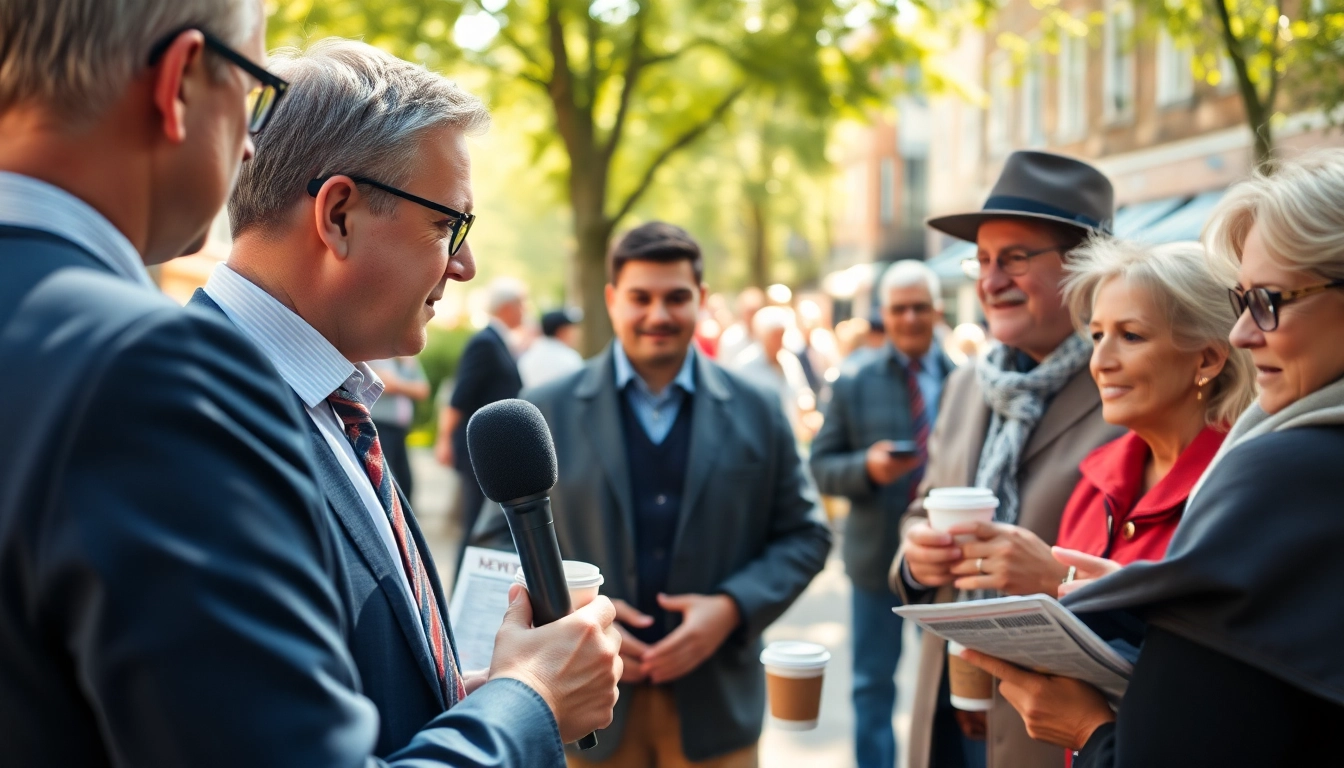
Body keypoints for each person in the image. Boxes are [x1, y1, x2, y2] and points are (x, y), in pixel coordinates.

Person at [0, 5, 619, 767]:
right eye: (447, 227)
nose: (465, 267)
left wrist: (464, 702)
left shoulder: (329, 399)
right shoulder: (165, 384)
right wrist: (530, 705)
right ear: (339, 215)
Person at [962, 150, 1344, 767]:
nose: (1248, 332)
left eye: (1270, 300)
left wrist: (1090, 732)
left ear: (1205, 359)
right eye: (1097, 335)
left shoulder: (1269, 472)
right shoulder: (1101, 472)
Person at [473, 221, 833, 767]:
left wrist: (731, 609)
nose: (658, 315)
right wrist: (574, 619)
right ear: (613, 300)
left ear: (702, 300)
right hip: (585, 717)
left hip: (718, 713)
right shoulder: (547, 407)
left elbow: (805, 534)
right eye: (641, 297)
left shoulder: (759, 408)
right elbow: (498, 540)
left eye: (676, 298)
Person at [888, 150, 1126, 768]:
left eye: (1015, 258)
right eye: (983, 260)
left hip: (1052, 728)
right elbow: (922, 508)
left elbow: (1158, 583)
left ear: (1083, 267)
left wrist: (1053, 577)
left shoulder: (1126, 390)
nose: (990, 281)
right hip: (951, 705)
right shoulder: (970, 383)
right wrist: (915, 553)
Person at [1035, 239, 1256, 600]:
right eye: (1097, 336)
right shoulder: (1095, 481)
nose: (1100, 361)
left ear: (1208, 359)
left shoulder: (1245, 487)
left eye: (1131, 336)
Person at [810, 259, 955, 768]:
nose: (910, 318)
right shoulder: (854, 381)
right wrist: (867, 470)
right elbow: (822, 468)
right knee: (872, 687)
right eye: (899, 309)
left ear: (938, 312)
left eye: (920, 308)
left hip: (948, 562)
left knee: (949, 690)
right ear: (884, 315)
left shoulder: (967, 381)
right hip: (876, 564)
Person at [435, 276, 526, 561]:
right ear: (507, 307)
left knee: (480, 522)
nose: (525, 311)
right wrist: (445, 440)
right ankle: (462, 593)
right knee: (475, 522)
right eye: (522, 304)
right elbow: (460, 396)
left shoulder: (498, 341)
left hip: (491, 448)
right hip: (478, 448)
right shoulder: (485, 342)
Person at [732, 305, 817, 434]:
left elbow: (802, 391)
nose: (779, 341)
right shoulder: (744, 366)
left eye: (781, 335)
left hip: (790, 434)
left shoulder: (789, 360)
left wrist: (806, 405)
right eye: (775, 336)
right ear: (762, 336)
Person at [370, 356, 430, 500]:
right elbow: (385, 384)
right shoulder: (374, 356)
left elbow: (423, 390)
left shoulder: (406, 359)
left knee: (405, 481)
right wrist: (407, 384)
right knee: (387, 480)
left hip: (400, 430)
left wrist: (396, 383)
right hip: (380, 426)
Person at [519, 308, 585, 388]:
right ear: (562, 331)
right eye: (571, 329)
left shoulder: (527, 357)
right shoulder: (569, 358)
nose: (576, 334)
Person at [715, 285, 765, 362]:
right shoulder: (730, 338)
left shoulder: (767, 337)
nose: (752, 316)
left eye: (755, 311)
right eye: (749, 312)